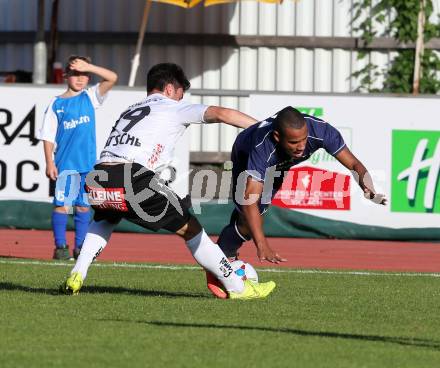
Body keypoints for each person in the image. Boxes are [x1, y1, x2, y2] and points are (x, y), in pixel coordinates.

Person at [60, 62, 276, 300]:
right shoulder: (173, 107)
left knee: (105, 219)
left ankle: (77, 272)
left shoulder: (130, 108)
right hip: (131, 177)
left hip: (98, 177)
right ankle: (239, 288)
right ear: (171, 89)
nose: (181, 99)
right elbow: (223, 114)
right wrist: (266, 128)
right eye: (181, 94)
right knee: (192, 230)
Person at [206, 106, 387, 299]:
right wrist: (262, 244)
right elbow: (250, 199)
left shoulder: (321, 131)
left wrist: (368, 188)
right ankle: (223, 259)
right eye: (294, 142)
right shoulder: (262, 148)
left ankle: (224, 253)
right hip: (245, 155)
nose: (301, 146)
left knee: (254, 217)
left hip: (279, 166)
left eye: (304, 139)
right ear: (277, 137)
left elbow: (353, 163)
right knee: (249, 215)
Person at [38, 56, 118, 260]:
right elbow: (47, 135)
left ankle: (81, 246)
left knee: (83, 206)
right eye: (75, 74)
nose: (80, 78)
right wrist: (49, 162)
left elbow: (112, 78)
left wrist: (89, 65)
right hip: (65, 165)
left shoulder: (90, 96)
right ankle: (60, 247)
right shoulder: (56, 104)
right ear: (66, 76)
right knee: (62, 205)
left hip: (88, 165)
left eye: (84, 74)